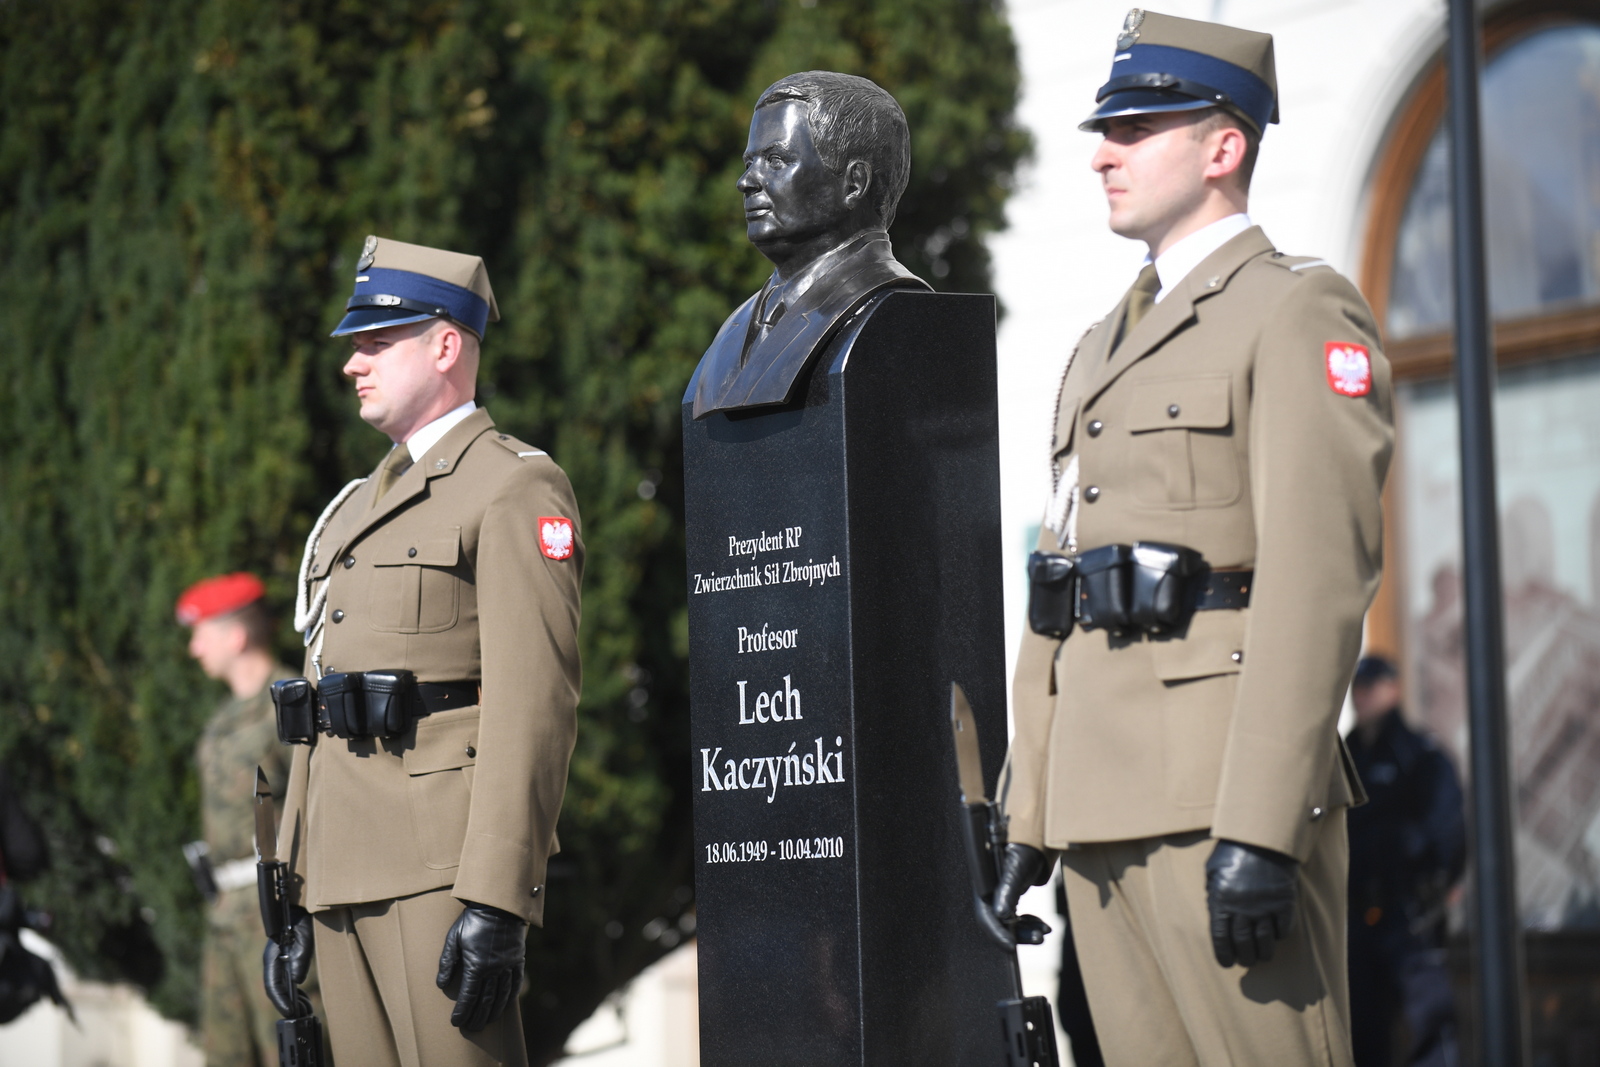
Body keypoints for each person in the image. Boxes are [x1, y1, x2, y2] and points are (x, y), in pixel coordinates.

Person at [993, 9, 1394, 1065]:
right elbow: (1059, 592)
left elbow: (1318, 580)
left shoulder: (1295, 311)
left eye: (1136, 126)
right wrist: (1026, 812)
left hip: (1222, 802)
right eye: (1103, 127)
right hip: (1098, 806)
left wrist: (1262, 823)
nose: (1102, 153)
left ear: (1223, 146)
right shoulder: (1094, 349)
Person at [267, 236, 583, 1067]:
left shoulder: (513, 485)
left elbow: (533, 700)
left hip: (440, 867)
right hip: (337, 867)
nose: (352, 365)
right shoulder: (351, 508)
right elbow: (319, 706)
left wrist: (498, 896)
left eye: (375, 343)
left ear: (445, 344)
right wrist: (290, 884)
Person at [689, 71, 929, 418]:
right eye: (749, 163)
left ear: (853, 183)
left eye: (775, 161)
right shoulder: (732, 332)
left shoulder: (893, 316)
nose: (745, 182)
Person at [178, 571, 327, 1067]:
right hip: (226, 914)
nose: (193, 649)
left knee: (295, 1048)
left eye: (201, 633)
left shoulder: (289, 705)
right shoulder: (220, 721)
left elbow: (320, 806)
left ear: (235, 635)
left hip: (279, 913)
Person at [1346, 656, 1465, 1067]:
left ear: (1393, 689)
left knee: (1428, 1022)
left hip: (1409, 913)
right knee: (1362, 1029)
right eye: (1358, 687)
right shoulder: (1346, 757)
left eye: (1373, 686)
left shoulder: (1416, 754)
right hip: (1356, 912)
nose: (1363, 696)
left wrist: (1439, 886)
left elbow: (1447, 826)